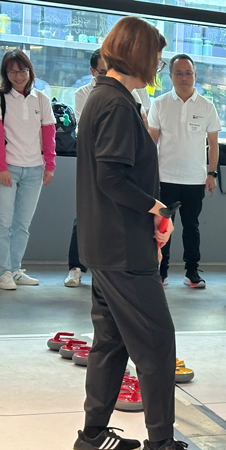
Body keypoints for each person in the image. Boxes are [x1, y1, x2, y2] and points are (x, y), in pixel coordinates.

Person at [73, 16, 187, 450]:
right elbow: (112, 178)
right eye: (156, 57)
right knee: (157, 343)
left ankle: (93, 436)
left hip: (104, 244)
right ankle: (161, 442)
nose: (158, 65)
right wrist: (157, 209)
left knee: (111, 342)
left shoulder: (103, 97)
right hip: (123, 248)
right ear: (138, 56)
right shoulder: (118, 104)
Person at [66, 49, 148, 287]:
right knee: (85, 215)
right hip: (94, 162)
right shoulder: (84, 93)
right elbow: (87, 127)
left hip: (124, 161)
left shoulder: (132, 91)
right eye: (102, 72)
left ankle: (108, 271)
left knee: (115, 216)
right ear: (93, 72)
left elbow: (143, 123)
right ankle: (75, 267)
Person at [148, 54, 220, 288]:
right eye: (178, 73)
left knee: (192, 228)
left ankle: (192, 272)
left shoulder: (207, 106)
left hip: (195, 179)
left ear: (195, 75)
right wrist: (148, 174)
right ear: (170, 76)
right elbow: (151, 142)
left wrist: (211, 173)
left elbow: (213, 144)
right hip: (164, 178)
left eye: (188, 73)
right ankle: (161, 272)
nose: (184, 77)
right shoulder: (159, 104)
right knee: (162, 227)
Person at [0, 49, 57, 290]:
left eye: (22, 70)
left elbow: (49, 134)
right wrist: (2, 167)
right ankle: (3, 272)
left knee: (22, 225)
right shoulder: (2, 98)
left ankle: (15, 269)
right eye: (12, 71)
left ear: (29, 71)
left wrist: (49, 165)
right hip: (8, 169)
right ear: (5, 73)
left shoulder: (41, 99)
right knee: (3, 223)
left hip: (34, 169)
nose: (18, 76)